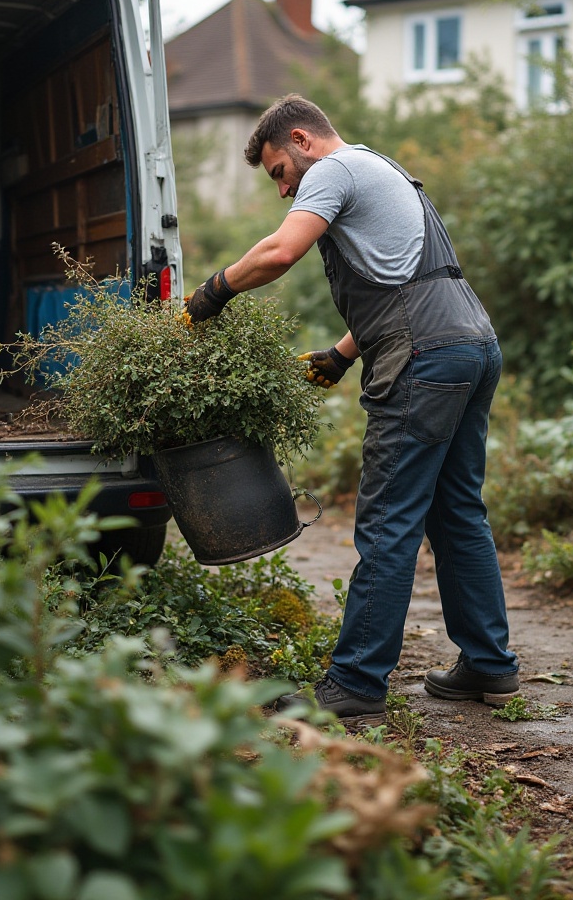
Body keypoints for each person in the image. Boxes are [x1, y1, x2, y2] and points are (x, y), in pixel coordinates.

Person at [184, 93, 519, 727]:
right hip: (470, 342)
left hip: (424, 354)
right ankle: (490, 667)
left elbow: (280, 252)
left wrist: (211, 295)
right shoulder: (383, 168)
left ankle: (358, 681)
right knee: (457, 511)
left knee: (389, 518)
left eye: (281, 172)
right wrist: (342, 355)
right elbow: (406, 278)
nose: (284, 191)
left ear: (303, 141)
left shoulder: (335, 170)